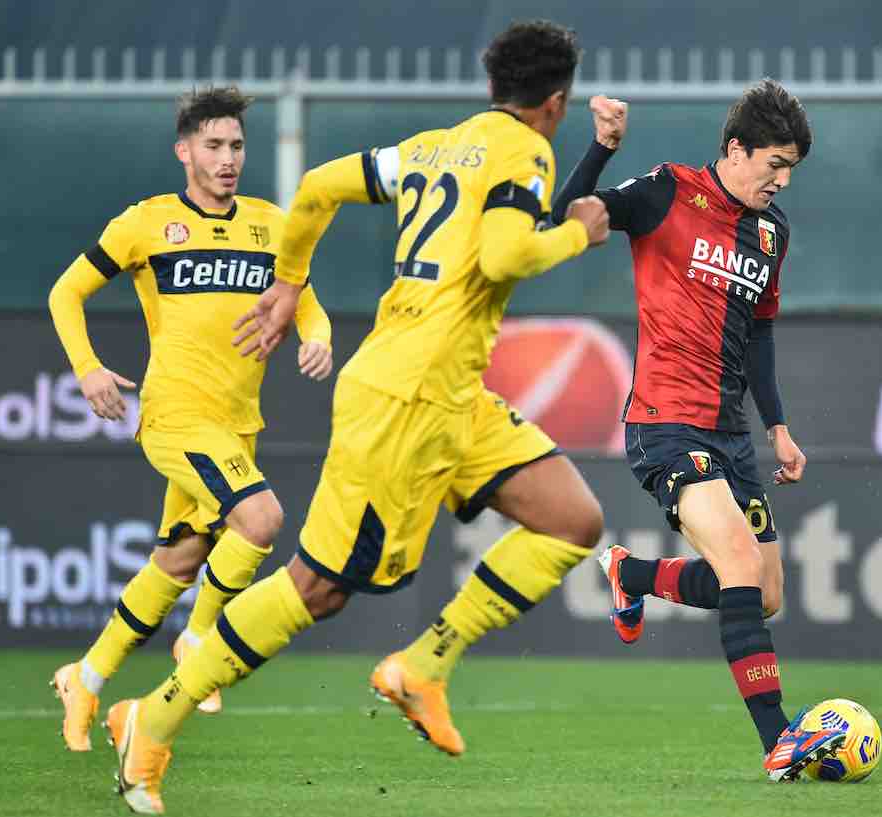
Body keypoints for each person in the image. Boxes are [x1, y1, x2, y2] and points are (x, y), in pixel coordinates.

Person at [101, 21, 610, 814]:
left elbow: (317, 190)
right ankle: (152, 718)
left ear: (490, 90)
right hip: (402, 401)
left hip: (453, 396)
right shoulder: (526, 150)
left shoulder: (434, 147)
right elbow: (509, 256)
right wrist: (581, 230)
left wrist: (288, 279)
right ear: (555, 103)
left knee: (572, 520)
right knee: (317, 588)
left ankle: (424, 666)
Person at [552, 78, 845, 781]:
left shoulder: (771, 234)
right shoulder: (667, 192)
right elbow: (566, 216)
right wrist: (600, 147)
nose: (781, 180)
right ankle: (780, 739)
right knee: (741, 567)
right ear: (735, 149)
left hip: (732, 435)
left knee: (765, 590)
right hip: (663, 423)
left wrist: (778, 426)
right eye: (773, 163)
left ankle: (632, 573)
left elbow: (760, 336)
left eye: (791, 170)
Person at [46, 85, 333, 753]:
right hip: (177, 413)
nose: (228, 157)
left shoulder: (269, 222)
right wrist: (87, 366)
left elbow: (304, 300)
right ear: (184, 151)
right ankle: (199, 639)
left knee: (177, 560)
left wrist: (316, 335)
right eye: (213, 145)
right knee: (259, 519)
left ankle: (84, 676)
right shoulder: (145, 222)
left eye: (236, 145)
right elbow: (66, 291)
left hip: (238, 422)